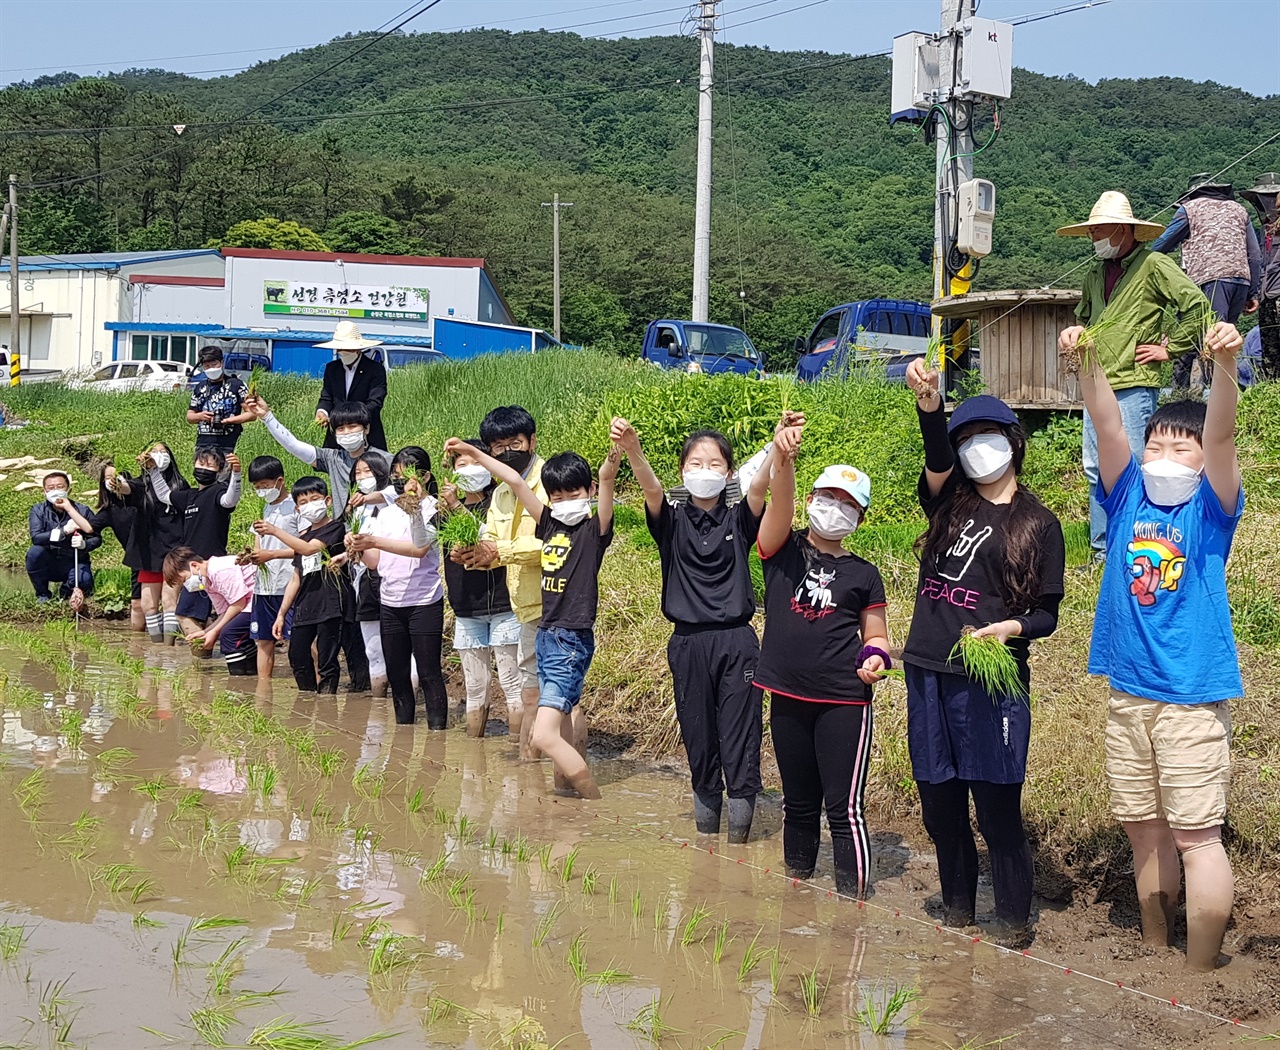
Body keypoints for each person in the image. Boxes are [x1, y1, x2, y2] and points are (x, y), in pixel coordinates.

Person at [1076, 319, 1245, 972]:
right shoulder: (1125, 501)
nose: (1165, 459)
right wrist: (1086, 358)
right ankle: (1154, 949)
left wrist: (1225, 363)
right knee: (1145, 831)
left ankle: (1202, 970)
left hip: (1189, 701)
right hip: (1128, 696)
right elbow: (1109, 425)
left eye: (1183, 449)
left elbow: (1224, 434)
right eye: (1159, 446)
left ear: (1205, 462)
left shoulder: (1210, 510)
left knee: (1197, 836)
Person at [903, 360, 1066, 937]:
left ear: (1013, 443)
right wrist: (931, 409)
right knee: (939, 804)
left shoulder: (1039, 524)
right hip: (928, 668)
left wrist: (1010, 629)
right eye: (965, 439)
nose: (977, 449)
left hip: (993, 680)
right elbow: (937, 458)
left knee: (996, 808)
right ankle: (958, 909)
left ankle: (1014, 921)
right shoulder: (948, 504)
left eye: (987, 437)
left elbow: (1047, 613)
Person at [612, 418, 782, 843]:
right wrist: (633, 448)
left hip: (737, 642)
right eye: (694, 463)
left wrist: (778, 449)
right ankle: (707, 844)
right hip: (686, 642)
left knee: (740, 737)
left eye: (714, 463)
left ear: (728, 473)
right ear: (682, 471)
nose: (703, 470)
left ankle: (739, 841)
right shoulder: (670, 522)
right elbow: (652, 490)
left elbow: (759, 488)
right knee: (698, 736)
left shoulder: (740, 519)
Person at [755, 438, 892, 901]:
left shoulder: (864, 574)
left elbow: (877, 636)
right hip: (787, 693)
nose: (836, 509)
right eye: (828, 497)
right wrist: (784, 460)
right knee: (797, 804)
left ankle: (854, 909)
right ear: (811, 500)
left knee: (845, 809)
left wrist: (876, 658)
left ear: (860, 519)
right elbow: (780, 501)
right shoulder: (782, 548)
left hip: (843, 700)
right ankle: (796, 902)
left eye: (848, 505)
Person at [446, 437, 618, 800]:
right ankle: (567, 793)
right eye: (557, 496)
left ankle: (593, 801)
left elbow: (604, 488)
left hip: (569, 640)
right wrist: (475, 454)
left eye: (574, 494)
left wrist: (610, 471)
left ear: (587, 491)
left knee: (543, 734)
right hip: (546, 632)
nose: (565, 502)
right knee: (561, 726)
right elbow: (517, 482)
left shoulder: (592, 532)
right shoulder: (551, 525)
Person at [1056, 191, 1213, 554]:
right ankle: (1102, 550)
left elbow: (1196, 306)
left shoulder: (1153, 264)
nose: (1095, 238)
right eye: (1092, 232)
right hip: (1096, 379)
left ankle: (1138, 543)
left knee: (1136, 464)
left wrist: (1169, 348)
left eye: (1101, 231)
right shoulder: (1095, 273)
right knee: (1096, 467)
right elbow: (1085, 318)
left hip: (1133, 381)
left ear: (1124, 229)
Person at [455, 406, 547, 759]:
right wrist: (474, 556)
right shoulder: (501, 494)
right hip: (523, 606)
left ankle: (559, 774)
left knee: (558, 697)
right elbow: (491, 542)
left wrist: (498, 551)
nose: (507, 451)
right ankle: (528, 768)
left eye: (515, 442)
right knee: (529, 693)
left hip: (557, 605)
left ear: (531, 441)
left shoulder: (552, 480)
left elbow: (557, 543)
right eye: (498, 446)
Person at [346, 447, 449, 728]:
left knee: (428, 672)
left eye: (408, 476)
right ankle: (403, 731)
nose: (402, 482)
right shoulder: (387, 514)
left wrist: (374, 542)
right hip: (390, 601)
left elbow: (419, 548)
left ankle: (437, 733)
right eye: (396, 477)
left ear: (425, 476)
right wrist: (358, 546)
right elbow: (375, 562)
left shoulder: (436, 509)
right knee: (397, 673)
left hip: (424, 601)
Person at [440, 439, 522, 738]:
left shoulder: (501, 500)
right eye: (462, 465)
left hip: (502, 604)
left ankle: (519, 754)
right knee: (475, 687)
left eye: (476, 462)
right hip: (465, 606)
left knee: (512, 684)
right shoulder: (443, 511)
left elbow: (484, 537)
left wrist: (455, 505)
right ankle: (473, 760)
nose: (470, 469)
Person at [1149, 174, 1262, 389]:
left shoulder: (1189, 209)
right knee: (1224, 343)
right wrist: (1252, 292)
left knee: (1203, 343)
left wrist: (1139, 263)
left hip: (1209, 280)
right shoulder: (1240, 210)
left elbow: (1161, 245)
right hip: (1240, 281)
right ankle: (1223, 401)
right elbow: (1254, 255)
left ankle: (1189, 401)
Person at [255, 477, 356, 695]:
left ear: (327, 500)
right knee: (297, 656)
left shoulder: (335, 528)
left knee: (327, 659)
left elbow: (310, 549)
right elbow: (295, 578)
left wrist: (275, 531)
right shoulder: (304, 535)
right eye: (303, 502)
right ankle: (308, 701)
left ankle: (327, 704)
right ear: (298, 509)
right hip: (305, 605)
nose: (310, 504)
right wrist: (281, 614)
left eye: (315, 499)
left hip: (331, 604)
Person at [247, 393, 389, 512]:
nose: (347, 432)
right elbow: (294, 445)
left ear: (366, 429)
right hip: (343, 533)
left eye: (352, 427)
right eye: (340, 429)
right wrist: (267, 417)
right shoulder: (332, 458)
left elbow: (400, 493)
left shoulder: (386, 459)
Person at [112, 442, 190, 643]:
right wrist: (117, 485)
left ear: (170, 457)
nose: (158, 455)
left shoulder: (181, 485)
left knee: (169, 599)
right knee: (147, 604)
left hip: (173, 547)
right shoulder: (141, 484)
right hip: (149, 549)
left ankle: (169, 645)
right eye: (154, 452)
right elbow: (128, 489)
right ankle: (157, 648)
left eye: (163, 452)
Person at [172, 449, 242, 643]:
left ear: (220, 470)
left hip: (208, 567)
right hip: (192, 568)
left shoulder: (218, 491)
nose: (204, 469)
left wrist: (236, 474)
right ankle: (204, 661)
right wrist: (152, 471)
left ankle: (201, 662)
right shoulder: (189, 496)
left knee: (187, 615)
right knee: (196, 614)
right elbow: (164, 496)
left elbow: (230, 500)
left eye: (210, 465)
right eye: (201, 464)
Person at [244, 456, 300, 679]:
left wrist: (272, 554)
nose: (261, 491)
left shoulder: (295, 507)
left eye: (265, 486)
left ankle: (313, 686)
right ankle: (263, 689)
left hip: (289, 583)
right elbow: (259, 544)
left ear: (280, 481)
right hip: (264, 587)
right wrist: (249, 557)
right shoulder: (262, 507)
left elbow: (305, 547)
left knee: (299, 639)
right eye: (257, 487)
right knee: (263, 640)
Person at [161, 546, 257, 676]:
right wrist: (205, 632)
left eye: (184, 579)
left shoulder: (220, 570)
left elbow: (238, 605)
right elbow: (224, 612)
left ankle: (236, 683)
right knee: (234, 631)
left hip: (259, 600)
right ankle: (250, 676)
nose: (186, 585)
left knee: (229, 634)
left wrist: (215, 632)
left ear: (194, 565)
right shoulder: (208, 582)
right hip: (248, 603)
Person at [348, 452, 393, 697]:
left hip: (390, 576)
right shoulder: (359, 510)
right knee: (372, 646)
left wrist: (366, 499)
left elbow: (391, 494)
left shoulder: (393, 500)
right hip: (363, 577)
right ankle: (378, 698)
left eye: (368, 471)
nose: (363, 477)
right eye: (358, 473)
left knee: (398, 641)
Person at [27, 471, 99, 606]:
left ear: (68, 490)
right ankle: (43, 594)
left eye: (60, 487)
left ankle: (65, 593)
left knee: (83, 580)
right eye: (51, 488)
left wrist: (84, 544)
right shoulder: (38, 510)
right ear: (44, 491)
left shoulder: (82, 511)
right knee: (34, 553)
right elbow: (36, 538)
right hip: (49, 560)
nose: (55, 491)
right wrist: (63, 532)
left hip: (74, 560)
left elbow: (96, 538)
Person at [314, 322, 388, 453]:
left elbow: (375, 403)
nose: (342, 352)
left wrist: (348, 418)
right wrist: (322, 412)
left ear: (358, 348)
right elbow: (326, 398)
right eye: (339, 349)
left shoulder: (375, 370)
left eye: (347, 348)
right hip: (337, 436)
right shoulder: (332, 369)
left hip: (367, 435)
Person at [88, 465, 142, 630]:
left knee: (167, 600)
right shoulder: (109, 511)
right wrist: (68, 508)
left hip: (159, 554)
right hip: (137, 560)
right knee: (137, 603)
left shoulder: (142, 501)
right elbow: (89, 528)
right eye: (108, 478)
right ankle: (138, 643)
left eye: (116, 476)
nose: (112, 480)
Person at [1240, 173, 1280, 380]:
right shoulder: (1265, 228)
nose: (1269, 203)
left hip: (1277, 293)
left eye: (1272, 197)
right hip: (1267, 297)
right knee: (1269, 353)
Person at [187, 345, 253, 455]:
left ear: (221, 362)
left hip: (229, 444)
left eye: (214, 365)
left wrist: (228, 420)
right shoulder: (200, 387)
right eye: (207, 366)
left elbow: (251, 414)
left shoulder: (236, 385)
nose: (211, 369)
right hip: (203, 444)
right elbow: (189, 416)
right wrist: (200, 416)